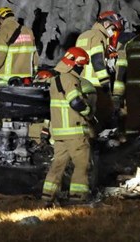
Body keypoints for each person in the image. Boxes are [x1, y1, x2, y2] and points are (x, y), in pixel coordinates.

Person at [41, 47, 97, 204]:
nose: (82, 69)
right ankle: (78, 199)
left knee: (57, 166)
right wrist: (88, 112)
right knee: (82, 165)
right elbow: (75, 102)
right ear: (75, 64)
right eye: (82, 65)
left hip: (59, 134)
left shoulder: (55, 80)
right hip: (74, 132)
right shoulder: (70, 79)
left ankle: (46, 198)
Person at [75, 11, 125, 128]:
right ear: (107, 24)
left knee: (88, 118)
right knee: (106, 116)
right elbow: (97, 60)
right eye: (113, 29)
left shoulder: (83, 35)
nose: (113, 33)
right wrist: (105, 85)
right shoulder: (99, 36)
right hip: (96, 85)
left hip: (82, 83)